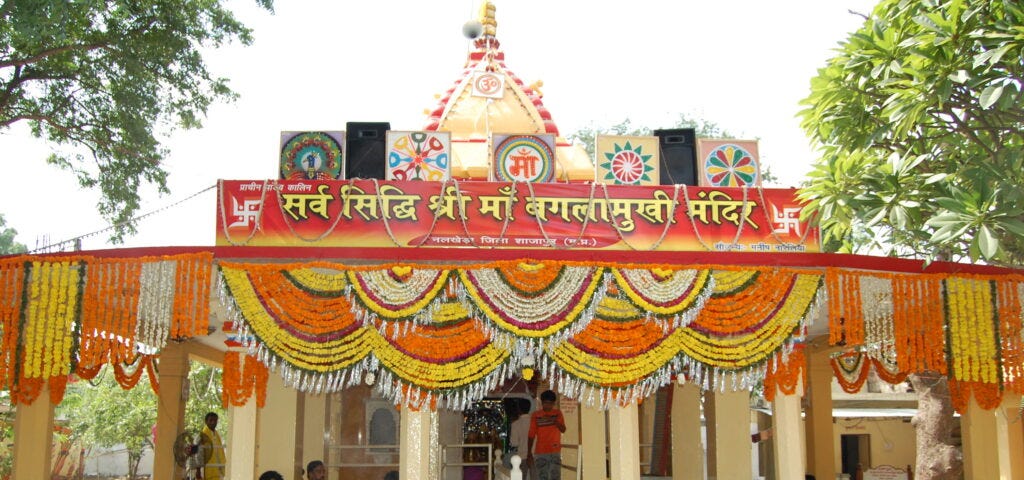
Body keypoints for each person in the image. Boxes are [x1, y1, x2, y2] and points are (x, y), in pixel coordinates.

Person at [527, 390, 566, 480]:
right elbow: (531, 435)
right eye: (545, 403)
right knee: (542, 476)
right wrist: (529, 453)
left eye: (550, 403)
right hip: (541, 452)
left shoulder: (558, 413)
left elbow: (563, 429)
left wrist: (555, 422)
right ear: (542, 402)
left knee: (555, 476)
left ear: (553, 404)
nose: (547, 406)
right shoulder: (536, 415)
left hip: (555, 451)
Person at [505, 399, 531, 478]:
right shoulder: (534, 421)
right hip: (534, 456)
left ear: (518, 409)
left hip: (522, 456)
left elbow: (514, 443)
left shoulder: (515, 424)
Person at [199, 412, 226, 480]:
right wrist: (198, 471)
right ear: (206, 421)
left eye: (215, 420)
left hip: (218, 468)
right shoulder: (202, 435)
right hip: (207, 468)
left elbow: (220, 452)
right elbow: (199, 453)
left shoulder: (217, 434)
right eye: (211, 420)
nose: (213, 422)